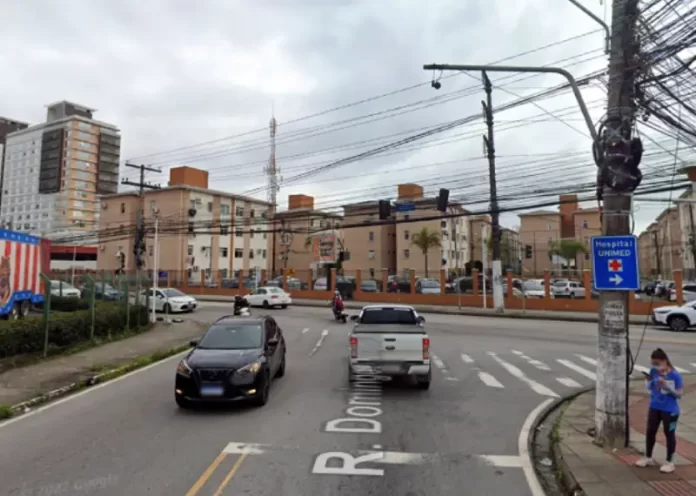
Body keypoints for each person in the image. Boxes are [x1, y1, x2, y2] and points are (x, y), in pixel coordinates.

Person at [635, 348, 683, 473]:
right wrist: (648, 381)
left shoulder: (675, 375)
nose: (656, 367)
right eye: (653, 364)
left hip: (670, 410)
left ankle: (670, 461)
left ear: (664, 361)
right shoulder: (653, 372)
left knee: (669, 434)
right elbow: (651, 388)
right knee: (650, 431)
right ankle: (648, 457)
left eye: (657, 364)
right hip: (655, 406)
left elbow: (679, 395)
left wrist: (667, 386)